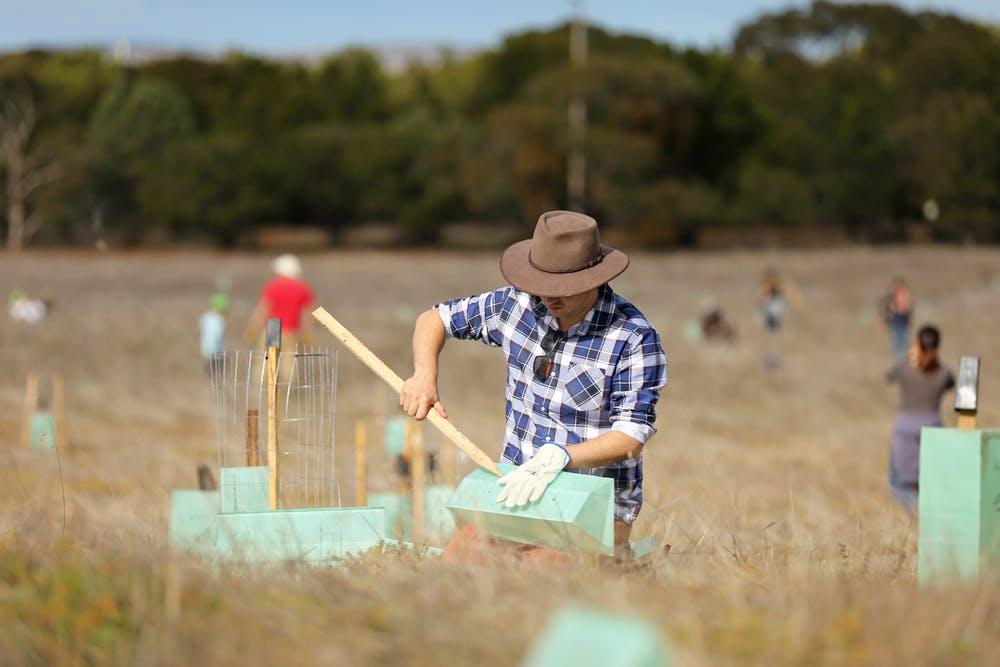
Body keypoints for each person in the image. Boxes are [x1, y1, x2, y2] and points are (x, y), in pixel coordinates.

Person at [400, 211, 668, 552]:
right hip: (517, 485)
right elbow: (434, 318)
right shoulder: (516, 303)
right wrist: (424, 374)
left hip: (594, 498)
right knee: (461, 559)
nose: (549, 298)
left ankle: (621, 562)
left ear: (593, 280)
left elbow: (630, 438)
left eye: (563, 289)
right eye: (541, 286)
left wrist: (560, 457)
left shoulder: (633, 337)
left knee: (543, 568)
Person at [885, 325, 954, 513]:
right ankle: (928, 513)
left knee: (898, 480)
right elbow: (951, 384)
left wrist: (910, 357)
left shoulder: (905, 368)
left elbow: (888, 376)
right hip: (933, 426)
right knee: (930, 478)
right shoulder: (944, 371)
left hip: (905, 427)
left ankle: (913, 510)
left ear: (917, 343)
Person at [244, 254, 315, 348]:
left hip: (273, 328)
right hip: (292, 330)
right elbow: (307, 314)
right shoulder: (303, 288)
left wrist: (253, 328)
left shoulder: (273, 286)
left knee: (268, 360)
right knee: (289, 360)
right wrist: (307, 332)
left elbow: (262, 309)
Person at [879, 277, 913, 359]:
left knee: (904, 340)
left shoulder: (904, 297)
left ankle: (904, 356)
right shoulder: (892, 299)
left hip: (902, 323)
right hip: (897, 323)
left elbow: (906, 309)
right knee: (898, 341)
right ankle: (899, 356)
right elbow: (888, 312)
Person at [199, 293, 229, 373]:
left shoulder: (206, 317)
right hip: (215, 348)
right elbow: (217, 335)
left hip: (206, 347)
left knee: (210, 366)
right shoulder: (218, 320)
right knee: (215, 368)